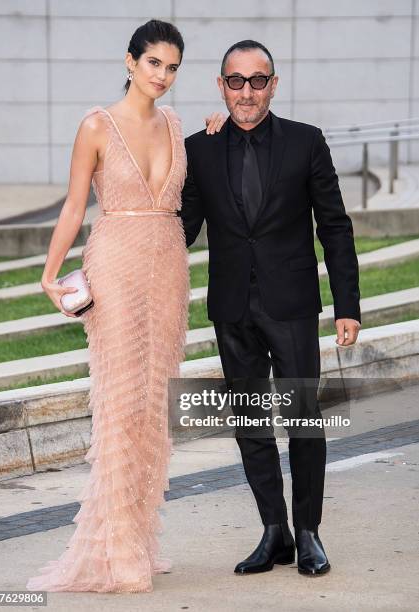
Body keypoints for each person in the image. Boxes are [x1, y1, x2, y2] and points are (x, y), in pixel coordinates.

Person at [26, 19, 223, 594]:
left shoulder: (180, 124)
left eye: (173, 67)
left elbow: (193, 189)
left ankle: (139, 535)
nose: (162, 76)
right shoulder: (96, 125)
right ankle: (112, 549)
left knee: (153, 404)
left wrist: (215, 133)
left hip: (167, 267)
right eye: (154, 63)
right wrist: (48, 272)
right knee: (119, 400)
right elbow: (72, 207)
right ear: (131, 61)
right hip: (114, 263)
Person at [180, 40, 361, 577]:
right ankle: (274, 531)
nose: (246, 92)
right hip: (232, 307)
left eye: (257, 80)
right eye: (235, 81)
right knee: (250, 423)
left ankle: (309, 533)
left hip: (293, 305)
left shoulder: (307, 142)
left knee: (304, 420)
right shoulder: (200, 148)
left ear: (273, 85)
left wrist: (346, 304)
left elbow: (334, 225)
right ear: (221, 86)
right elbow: (182, 229)